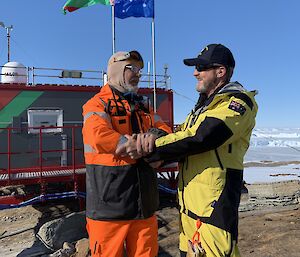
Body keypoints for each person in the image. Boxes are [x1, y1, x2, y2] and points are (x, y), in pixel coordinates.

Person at [127, 44, 258, 257]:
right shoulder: (201, 108)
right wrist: (158, 143)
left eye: (201, 67)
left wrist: (150, 149)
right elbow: (181, 139)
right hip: (188, 212)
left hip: (212, 212)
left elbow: (202, 137)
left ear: (220, 72)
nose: (195, 72)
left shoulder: (238, 102)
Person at [82, 50, 171, 257]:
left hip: (144, 205)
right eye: (132, 69)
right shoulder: (96, 103)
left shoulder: (144, 105)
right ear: (116, 71)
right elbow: (98, 135)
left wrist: (155, 137)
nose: (138, 74)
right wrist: (135, 145)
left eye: (140, 70)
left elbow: (165, 131)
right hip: (109, 208)